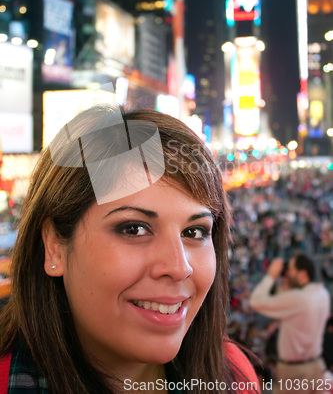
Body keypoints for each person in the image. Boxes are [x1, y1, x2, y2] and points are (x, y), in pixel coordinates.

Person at [0, 104, 260, 394]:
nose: (178, 267)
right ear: (54, 247)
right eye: (134, 229)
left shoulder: (235, 377)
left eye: (194, 231)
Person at [249, 253, 331, 394]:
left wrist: (271, 275)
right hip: (316, 365)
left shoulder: (298, 299)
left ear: (303, 274)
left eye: (291, 269)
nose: (287, 272)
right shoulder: (322, 294)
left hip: (294, 373)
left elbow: (255, 301)